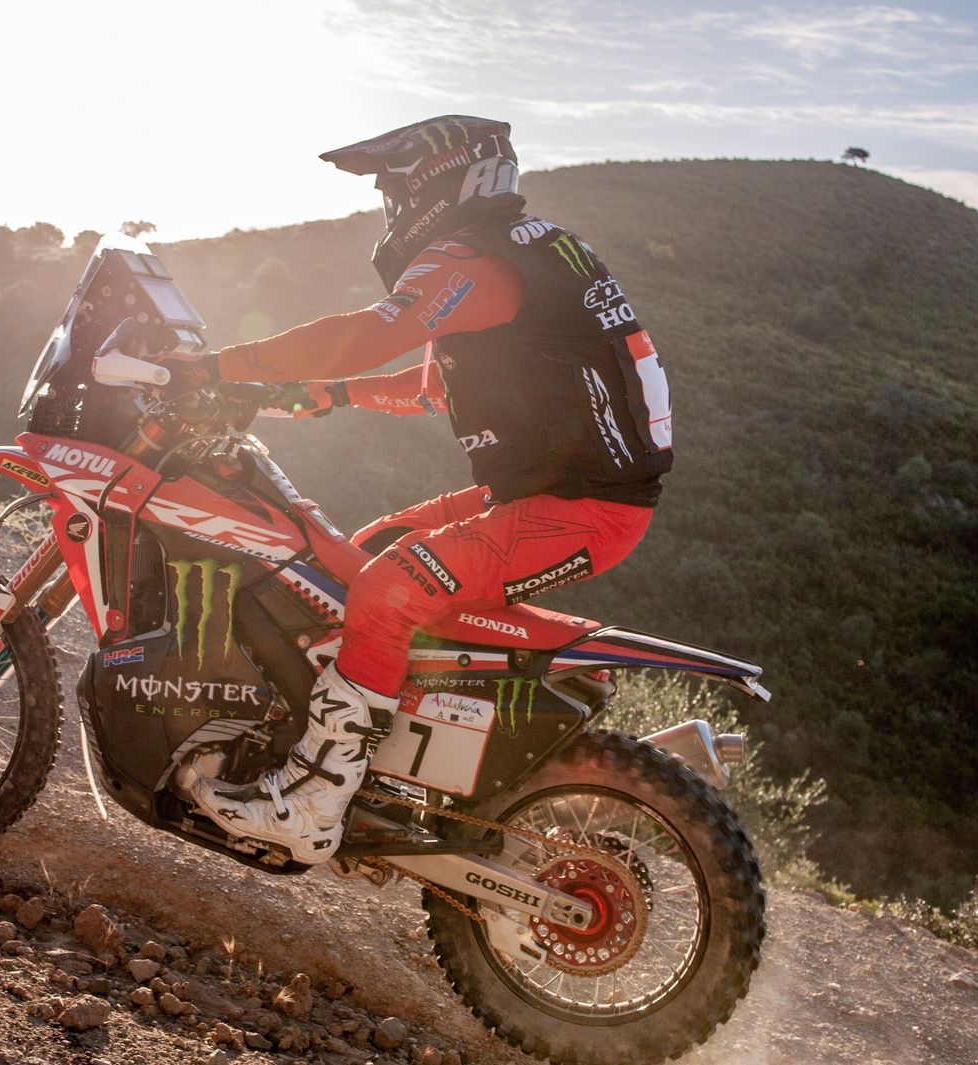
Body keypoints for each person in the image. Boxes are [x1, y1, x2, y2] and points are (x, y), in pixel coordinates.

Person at [157, 116, 673, 864]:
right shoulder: (527, 255)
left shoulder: (481, 263)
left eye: (397, 190)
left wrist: (217, 367)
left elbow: (374, 332)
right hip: (551, 493)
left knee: (386, 591)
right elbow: (433, 384)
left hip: (580, 509)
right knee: (364, 555)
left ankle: (312, 804)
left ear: (443, 181)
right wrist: (330, 396)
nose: (392, 208)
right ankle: (380, 766)